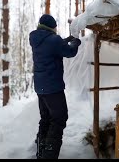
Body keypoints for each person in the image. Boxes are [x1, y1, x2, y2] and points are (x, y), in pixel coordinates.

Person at [29, 14, 81, 159]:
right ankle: (49, 155)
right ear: (52, 27)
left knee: (45, 119)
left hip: (41, 88)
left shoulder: (36, 40)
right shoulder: (54, 40)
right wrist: (76, 42)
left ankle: (41, 152)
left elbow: (52, 46)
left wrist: (65, 40)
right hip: (53, 88)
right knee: (59, 119)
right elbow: (69, 52)